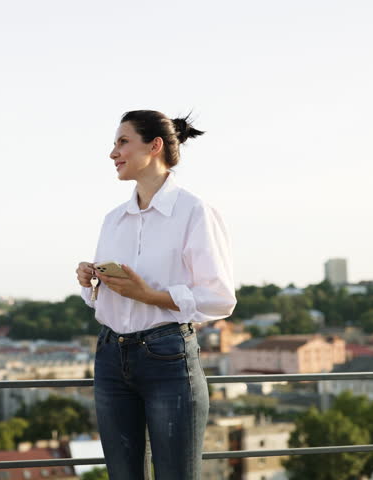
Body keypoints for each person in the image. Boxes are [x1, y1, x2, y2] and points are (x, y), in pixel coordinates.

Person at [75, 110, 236, 480]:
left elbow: (221, 298)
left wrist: (151, 295)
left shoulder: (195, 212)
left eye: (122, 142)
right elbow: (101, 299)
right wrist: (90, 282)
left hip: (168, 358)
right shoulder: (113, 219)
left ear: (155, 145)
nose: (113, 152)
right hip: (110, 357)